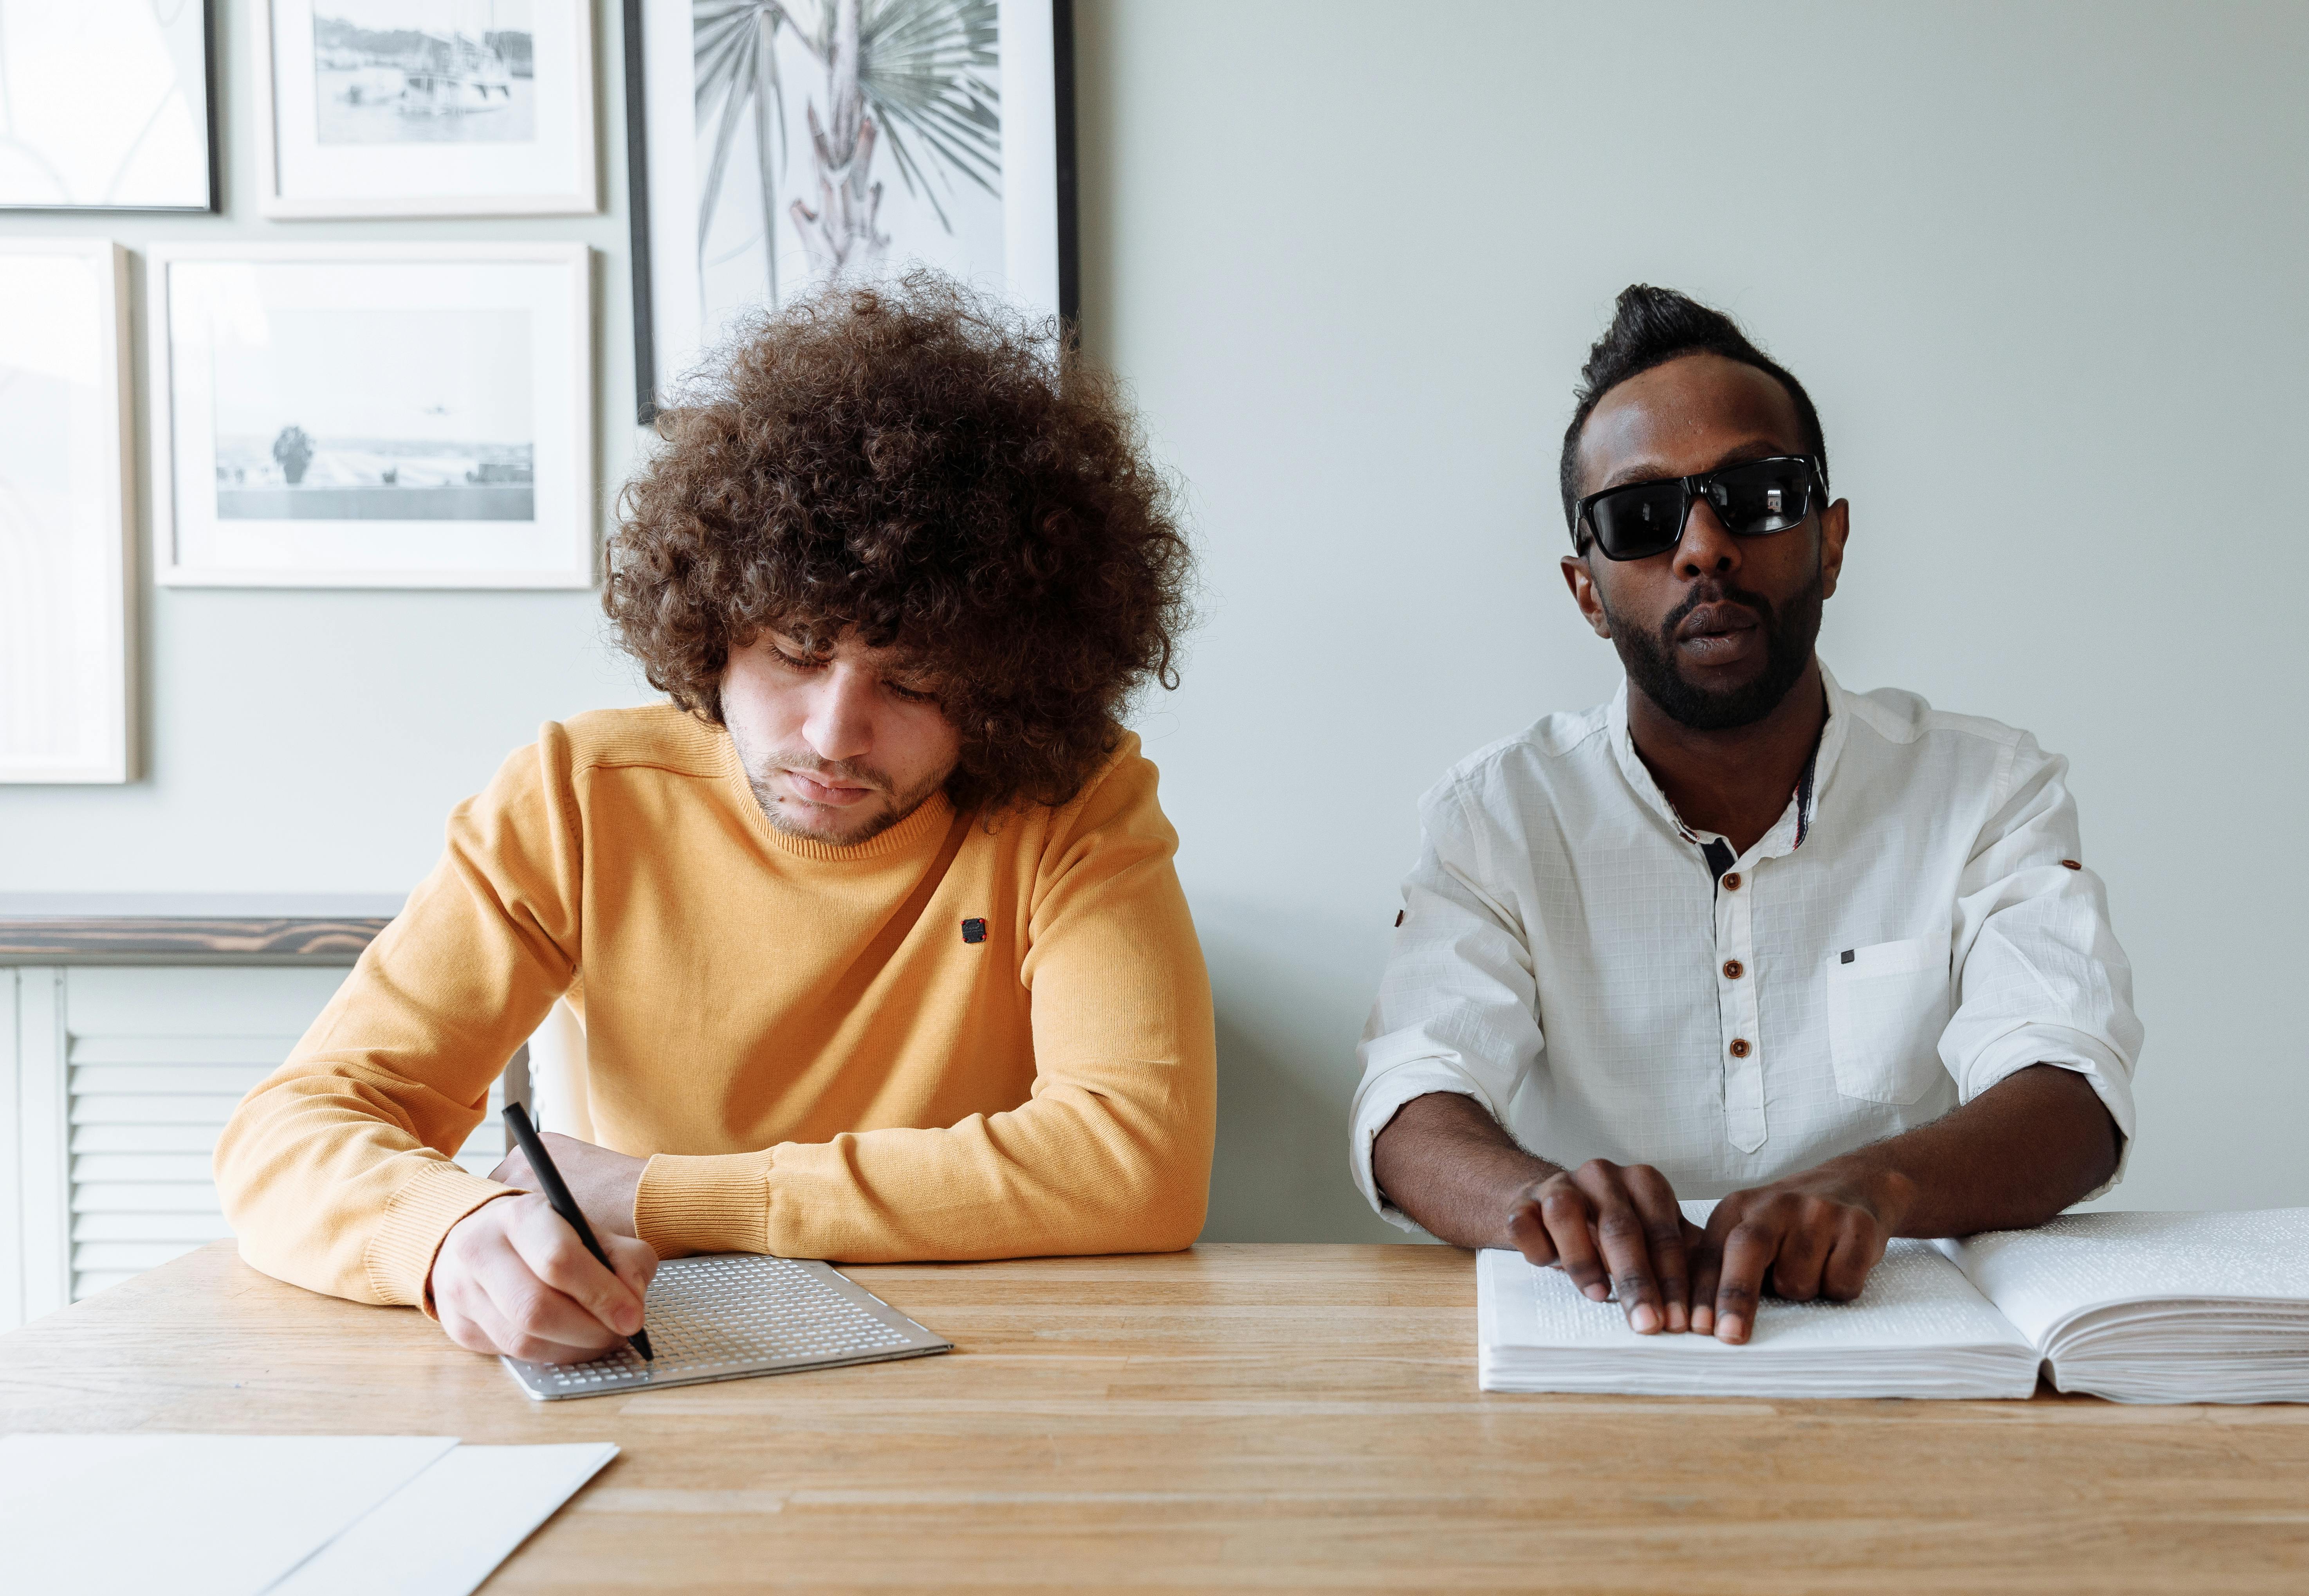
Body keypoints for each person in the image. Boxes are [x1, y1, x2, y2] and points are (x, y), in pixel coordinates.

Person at [217, 274, 1215, 1363]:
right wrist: (450, 1235)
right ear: (712, 621)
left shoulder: (1075, 801)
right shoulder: (579, 794)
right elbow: (290, 1130)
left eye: (916, 682)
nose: (836, 732)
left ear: (1010, 685)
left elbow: (1138, 1165)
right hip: (652, 1348)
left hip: (983, 1366)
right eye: (795, 653)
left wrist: (656, 1196)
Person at [1353, 285, 2142, 1344]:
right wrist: (1536, 1202)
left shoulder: (1988, 790)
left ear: (1832, 538)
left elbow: (2072, 1088)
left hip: (1912, 1368)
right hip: (1600, 1349)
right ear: (1586, 591)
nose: (1704, 548)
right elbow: (1414, 1101)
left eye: (1758, 495)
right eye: (1642, 519)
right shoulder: (1498, 816)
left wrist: (1881, 1184)